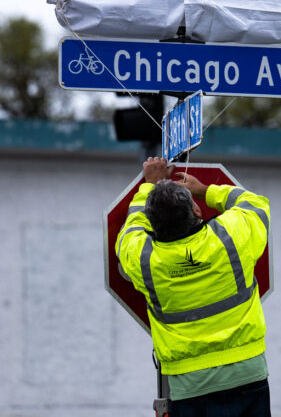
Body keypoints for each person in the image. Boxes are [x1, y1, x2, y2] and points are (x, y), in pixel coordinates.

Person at [116, 157, 271, 417]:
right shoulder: (230, 236)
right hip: (248, 376)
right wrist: (205, 191)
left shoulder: (145, 260)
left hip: (189, 388)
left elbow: (130, 232)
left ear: (152, 225)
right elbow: (256, 204)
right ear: (197, 211)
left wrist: (149, 185)